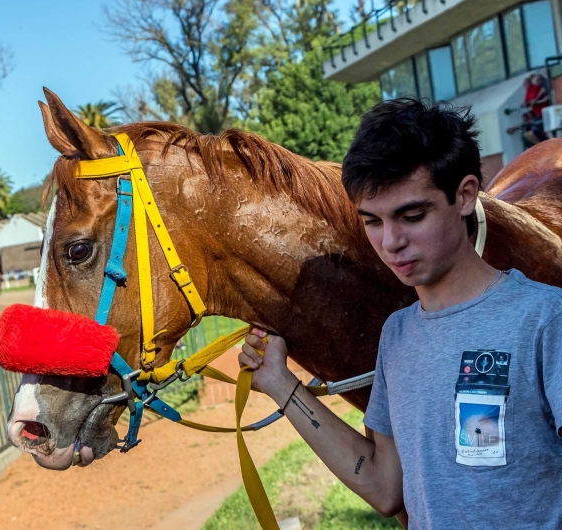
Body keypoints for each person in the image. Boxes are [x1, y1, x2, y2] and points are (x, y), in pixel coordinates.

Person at [239, 99, 562, 528]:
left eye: (411, 216)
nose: (390, 242)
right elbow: (385, 486)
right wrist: (280, 384)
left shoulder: (544, 319)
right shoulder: (397, 335)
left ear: (465, 196)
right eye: (372, 221)